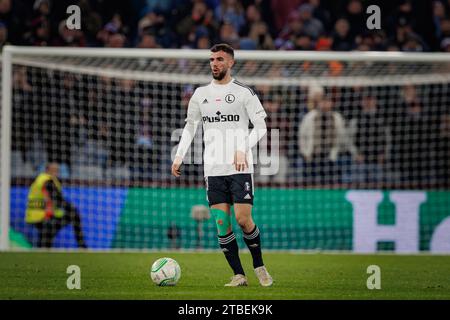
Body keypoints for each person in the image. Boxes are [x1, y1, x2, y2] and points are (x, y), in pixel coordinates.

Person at [171, 43, 273, 287]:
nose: (214, 63)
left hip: (239, 168)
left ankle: (259, 265)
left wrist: (243, 148)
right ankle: (239, 275)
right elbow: (190, 127)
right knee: (221, 224)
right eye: (212, 59)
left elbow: (261, 127)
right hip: (213, 170)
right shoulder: (200, 94)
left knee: (243, 219)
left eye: (219, 59)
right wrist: (179, 155)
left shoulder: (244, 92)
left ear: (231, 63)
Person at [25, 163, 87, 248]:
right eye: (53, 170)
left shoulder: (41, 179)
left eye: (57, 170)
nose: (56, 172)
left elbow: (55, 198)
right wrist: (71, 208)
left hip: (36, 215)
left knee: (47, 236)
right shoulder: (47, 180)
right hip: (41, 215)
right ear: (47, 170)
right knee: (74, 214)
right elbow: (56, 198)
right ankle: (82, 246)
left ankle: (43, 248)